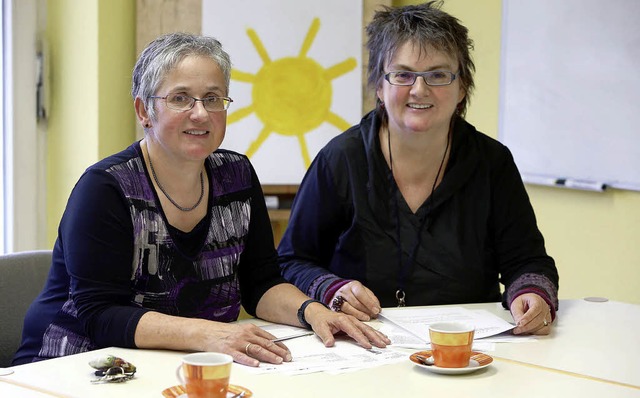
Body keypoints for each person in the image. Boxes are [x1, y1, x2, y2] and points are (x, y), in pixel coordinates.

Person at [13, 33, 389, 367]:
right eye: (180, 98)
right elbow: (100, 315)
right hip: (73, 366)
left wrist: (312, 311)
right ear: (144, 110)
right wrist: (210, 335)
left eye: (213, 98)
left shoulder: (237, 175)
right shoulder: (105, 189)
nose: (201, 113)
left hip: (182, 366)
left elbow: (261, 284)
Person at [278, 1, 559, 335]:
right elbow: (290, 262)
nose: (420, 89)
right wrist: (330, 289)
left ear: (462, 87)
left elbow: (528, 261)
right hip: (362, 344)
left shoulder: (491, 162)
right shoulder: (341, 159)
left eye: (438, 75)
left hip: (466, 349)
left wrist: (532, 293)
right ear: (380, 87)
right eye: (403, 74)